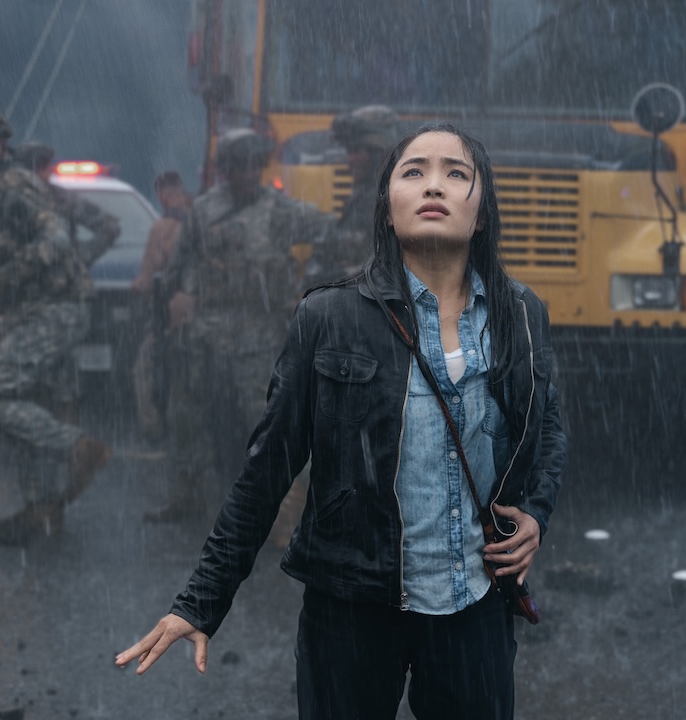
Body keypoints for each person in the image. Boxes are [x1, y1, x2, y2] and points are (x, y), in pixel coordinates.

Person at [116, 124, 567, 720]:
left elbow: (549, 427)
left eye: (456, 173)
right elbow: (267, 470)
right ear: (386, 207)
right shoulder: (327, 317)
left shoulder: (522, 314)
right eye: (413, 172)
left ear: (480, 213)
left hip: (474, 606)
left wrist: (534, 511)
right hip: (351, 605)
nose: (434, 183)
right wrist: (200, 602)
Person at [143, 129, 333, 523]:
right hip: (206, 333)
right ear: (226, 169)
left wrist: (310, 283)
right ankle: (189, 491)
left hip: (257, 334)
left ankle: (288, 510)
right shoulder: (204, 211)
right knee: (188, 414)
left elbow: (332, 232)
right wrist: (173, 303)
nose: (248, 173)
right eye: (239, 166)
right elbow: (178, 266)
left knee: (266, 422)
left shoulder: (280, 211)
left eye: (253, 165)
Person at [0, 106, 111, 543]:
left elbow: (55, 237)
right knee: (27, 403)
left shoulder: (15, 183)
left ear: (3, 138)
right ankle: (43, 509)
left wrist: (4, 279)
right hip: (37, 308)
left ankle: (77, 446)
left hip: (55, 306)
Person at [129, 170, 193, 442]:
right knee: (187, 375)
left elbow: (146, 278)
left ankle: (153, 429)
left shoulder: (162, 227)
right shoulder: (205, 216)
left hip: (173, 314)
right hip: (207, 312)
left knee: (143, 369)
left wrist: (136, 289)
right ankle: (190, 432)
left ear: (163, 195)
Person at [306, 105, 399, 284]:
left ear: (377, 153)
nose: (350, 159)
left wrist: (341, 277)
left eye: (356, 151)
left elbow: (385, 264)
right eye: (349, 151)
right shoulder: (365, 194)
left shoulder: (387, 199)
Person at [15, 142, 121, 266]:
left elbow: (110, 226)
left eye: (43, 167)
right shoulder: (7, 196)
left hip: (58, 278)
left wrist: (82, 254)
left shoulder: (64, 199)